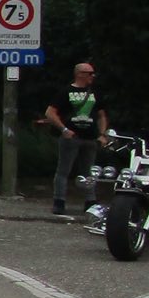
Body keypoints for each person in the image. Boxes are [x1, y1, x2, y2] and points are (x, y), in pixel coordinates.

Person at [43, 62, 107, 217]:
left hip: (90, 138)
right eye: (89, 73)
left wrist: (102, 134)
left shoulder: (94, 93)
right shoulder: (66, 92)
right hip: (72, 137)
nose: (92, 76)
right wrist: (64, 129)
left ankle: (90, 201)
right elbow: (50, 112)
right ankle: (59, 201)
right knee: (63, 170)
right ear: (79, 74)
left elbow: (101, 115)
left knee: (89, 171)